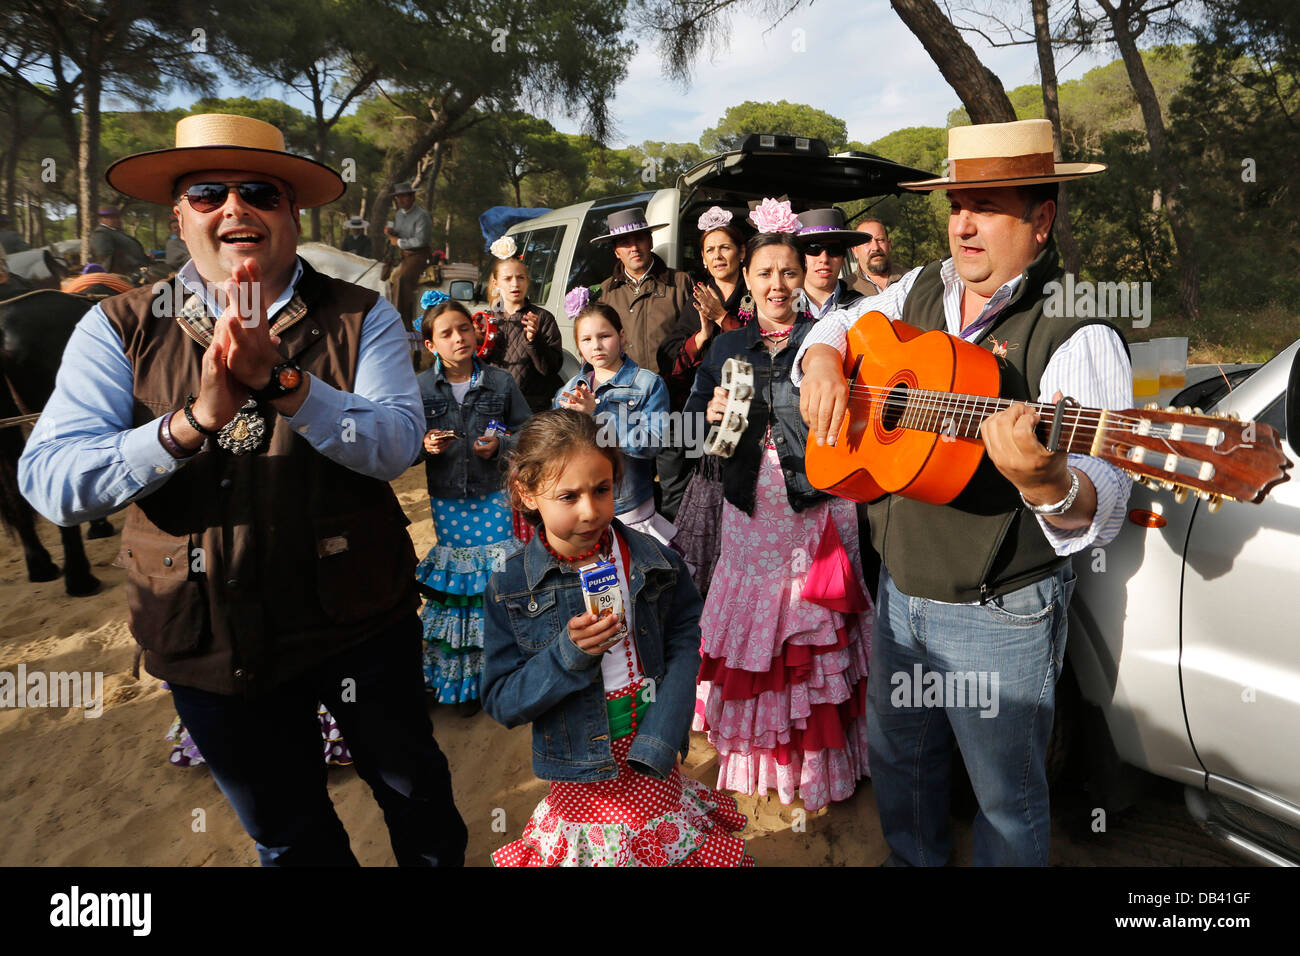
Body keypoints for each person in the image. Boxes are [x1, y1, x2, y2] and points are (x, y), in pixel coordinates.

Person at [19, 112, 468, 867]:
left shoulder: (364, 316)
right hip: (207, 640)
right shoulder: (116, 327)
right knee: (289, 837)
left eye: (259, 190)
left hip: (360, 627)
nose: (235, 208)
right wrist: (188, 424)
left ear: (292, 212)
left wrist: (287, 385)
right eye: (208, 193)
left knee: (416, 795)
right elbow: (53, 485)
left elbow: (395, 446)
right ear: (179, 215)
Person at [794, 118, 1128, 866]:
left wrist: (1049, 481)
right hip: (902, 592)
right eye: (955, 204)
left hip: (999, 608)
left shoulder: (1076, 328)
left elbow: (1102, 499)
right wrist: (820, 359)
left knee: (1006, 799)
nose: (964, 224)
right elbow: (842, 326)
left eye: (988, 204)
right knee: (903, 768)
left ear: (1042, 219)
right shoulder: (917, 287)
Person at [481, 408, 752, 867]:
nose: (590, 511)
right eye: (568, 496)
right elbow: (503, 700)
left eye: (602, 490)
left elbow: (688, 637)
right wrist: (567, 655)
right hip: (580, 774)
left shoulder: (655, 560)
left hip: (653, 753)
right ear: (527, 493)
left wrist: (663, 734)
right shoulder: (510, 589)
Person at [684, 204, 874, 812]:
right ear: (747, 276)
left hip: (819, 504)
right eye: (764, 272)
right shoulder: (726, 348)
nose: (776, 285)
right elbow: (697, 433)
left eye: (788, 273)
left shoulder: (831, 341)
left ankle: (832, 760)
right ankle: (768, 764)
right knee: (763, 626)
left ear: (803, 278)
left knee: (817, 625)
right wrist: (707, 417)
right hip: (750, 504)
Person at [414, 293, 530, 711]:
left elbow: (527, 433)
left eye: (464, 328)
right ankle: (465, 684)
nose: (458, 338)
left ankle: (507, 674)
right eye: (446, 333)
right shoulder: (420, 388)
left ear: (476, 331)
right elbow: (403, 444)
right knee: (462, 589)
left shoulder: (500, 382)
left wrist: (501, 445)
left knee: (497, 583)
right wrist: (424, 444)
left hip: (495, 499)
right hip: (449, 502)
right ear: (431, 345)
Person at [593, 206, 699, 520]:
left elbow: (698, 343)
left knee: (676, 482)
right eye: (625, 242)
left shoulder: (680, 284)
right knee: (626, 483)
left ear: (651, 239)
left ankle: (676, 555)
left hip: (676, 404)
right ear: (616, 250)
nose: (634, 247)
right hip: (623, 408)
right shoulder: (606, 294)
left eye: (639, 238)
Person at [554, 301, 675, 545]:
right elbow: (556, 450)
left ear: (621, 335)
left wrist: (597, 416)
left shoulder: (648, 384)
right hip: (582, 508)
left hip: (630, 507)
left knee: (634, 576)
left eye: (604, 336)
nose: (596, 346)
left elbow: (652, 443)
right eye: (586, 339)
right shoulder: (567, 391)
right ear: (578, 346)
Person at [481, 237, 565, 412]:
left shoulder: (542, 318)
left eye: (520, 277)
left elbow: (550, 369)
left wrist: (534, 341)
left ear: (527, 281)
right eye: (508, 278)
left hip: (532, 410)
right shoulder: (486, 320)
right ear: (496, 283)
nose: (515, 284)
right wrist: (477, 344)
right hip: (494, 407)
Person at [792, 207, 868, 320]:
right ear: (799, 257)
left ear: (843, 258)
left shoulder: (861, 309)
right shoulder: (783, 308)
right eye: (813, 249)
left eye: (834, 249)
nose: (824, 258)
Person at [385, 182, 433, 331]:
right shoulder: (399, 214)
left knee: (402, 277)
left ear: (412, 197)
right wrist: (393, 232)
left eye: (404, 196)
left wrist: (398, 241)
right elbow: (400, 233)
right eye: (398, 197)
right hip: (405, 255)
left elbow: (420, 240)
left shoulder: (422, 215)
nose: (401, 200)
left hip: (419, 255)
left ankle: (402, 324)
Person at [850, 219, 904, 298]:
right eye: (866, 242)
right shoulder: (845, 290)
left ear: (889, 245)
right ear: (855, 251)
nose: (875, 248)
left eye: (880, 240)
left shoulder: (911, 279)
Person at [90, 205, 150, 275]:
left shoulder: (116, 232)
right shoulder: (101, 233)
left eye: (118, 217)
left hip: (139, 269)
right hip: (127, 274)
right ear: (102, 219)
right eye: (113, 217)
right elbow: (105, 257)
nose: (118, 220)